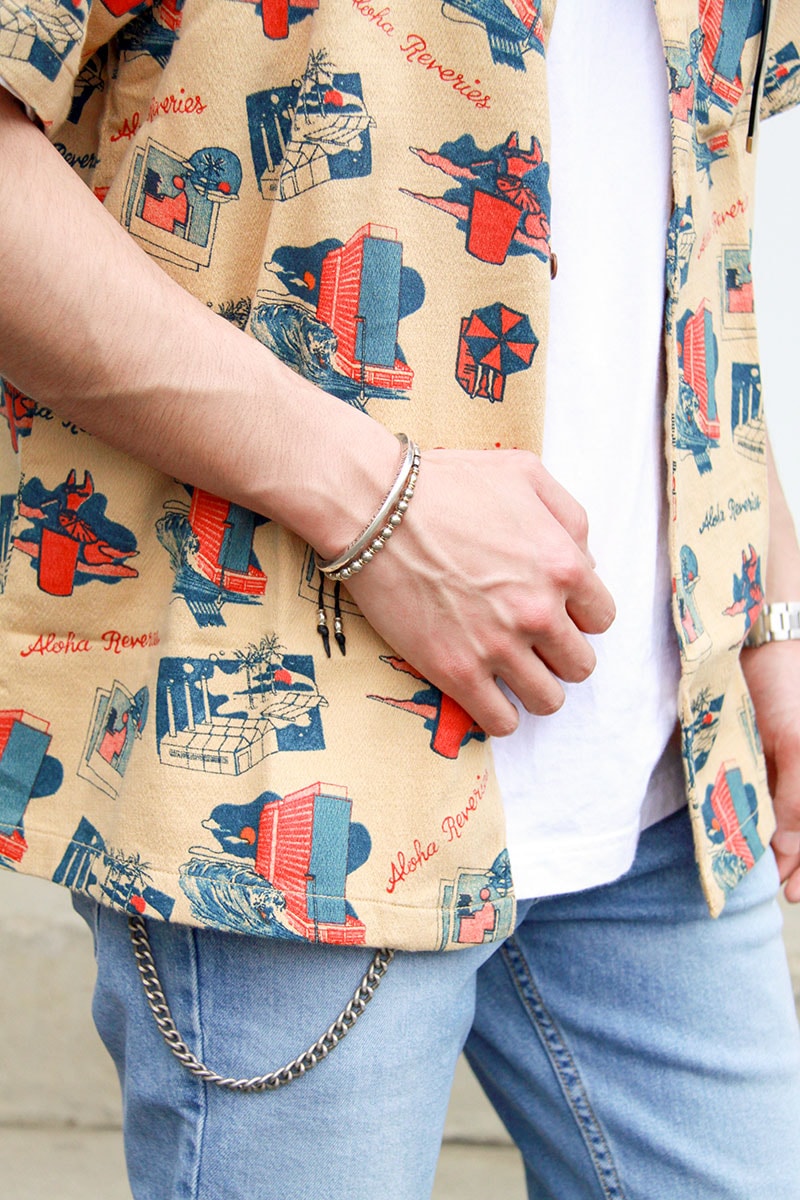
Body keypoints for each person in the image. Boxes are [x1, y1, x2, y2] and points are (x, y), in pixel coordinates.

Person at [1, 1, 800, 1196]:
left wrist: (770, 602)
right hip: (295, 763)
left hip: (666, 778)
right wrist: (378, 505)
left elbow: (683, 192)